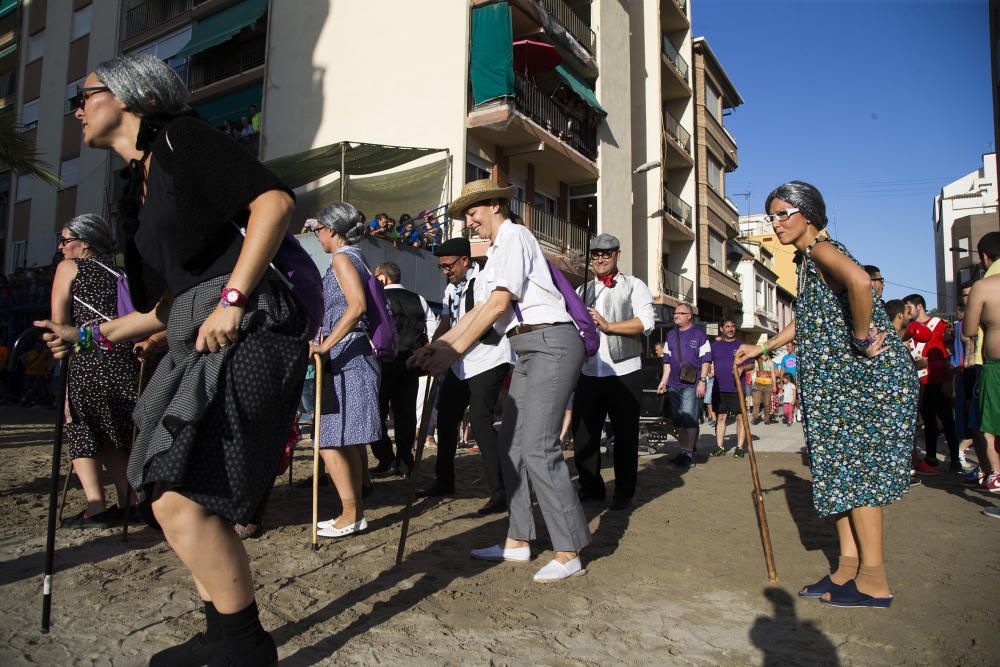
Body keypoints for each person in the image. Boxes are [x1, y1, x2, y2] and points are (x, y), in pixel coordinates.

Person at [37, 54, 310, 665]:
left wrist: (234, 301)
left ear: (130, 96)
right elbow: (167, 305)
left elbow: (273, 204)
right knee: (165, 487)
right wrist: (79, 337)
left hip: (245, 322)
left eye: (84, 96)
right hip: (196, 322)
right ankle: (223, 635)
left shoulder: (182, 138)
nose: (77, 110)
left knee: (178, 496)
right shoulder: (139, 182)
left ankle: (243, 646)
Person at [735, 181, 917, 608]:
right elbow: (807, 322)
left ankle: (874, 580)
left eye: (783, 213)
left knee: (857, 476)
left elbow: (860, 282)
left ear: (809, 214)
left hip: (866, 384)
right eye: (771, 216)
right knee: (837, 474)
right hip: (842, 388)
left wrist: (859, 336)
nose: (776, 222)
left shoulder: (821, 250)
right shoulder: (807, 261)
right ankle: (847, 569)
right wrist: (761, 348)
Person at [411, 179, 590, 583]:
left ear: (494, 206)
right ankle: (518, 539)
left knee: (539, 446)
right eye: (465, 217)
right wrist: (441, 347)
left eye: (472, 214)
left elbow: (496, 305)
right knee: (509, 445)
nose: (469, 223)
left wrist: (449, 352)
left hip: (552, 342)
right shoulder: (493, 255)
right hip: (526, 348)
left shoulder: (515, 236)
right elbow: (476, 314)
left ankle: (569, 548)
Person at [50, 214, 142, 528]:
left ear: (85, 242)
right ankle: (129, 501)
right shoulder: (120, 271)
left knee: (81, 426)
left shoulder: (68, 268)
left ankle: (96, 506)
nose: (61, 247)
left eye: (65, 240)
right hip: (122, 355)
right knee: (115, 430)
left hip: (87, 354)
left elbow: (60, 325)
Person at [417, 237, 512, 514]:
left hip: (488, 358)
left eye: (448, 266)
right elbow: (447, 323)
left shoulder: (483, 281)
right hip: (459, 362)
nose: (445, 271)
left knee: (481, 422)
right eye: (441, 267)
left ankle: (501, 491)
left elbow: (481, 319)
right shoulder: (450, 289)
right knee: (446, 419)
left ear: (464, 261)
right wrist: (431, 349)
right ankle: (444, 480)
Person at [309, 204, 382, 537]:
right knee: (347, 439)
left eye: (319, 229)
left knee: (329, 439)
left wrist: (325, 345)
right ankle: (353, 514)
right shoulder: (358, 257)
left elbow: (357, 306)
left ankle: (350, 514)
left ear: (333, 230)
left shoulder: (342, 258)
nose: (317, 234)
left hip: (347, 354)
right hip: (354, 354)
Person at [572, 233, 654, 509]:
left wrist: (608, 326)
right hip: (589, 371)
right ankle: (591, 488)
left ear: (617, 255)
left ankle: (623, 493)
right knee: (584, 434)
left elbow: (645, 322)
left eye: (606, 254)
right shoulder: (582, 291)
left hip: (624, 371)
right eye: (595, 255)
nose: (600, 259)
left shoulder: (634, 285)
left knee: (625, 436)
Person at [370, 261, 436, 476]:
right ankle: (405, 461)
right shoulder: (419, 299)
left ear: (383, 278)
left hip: (383, 364)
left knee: (376, 413)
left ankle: (386, 458)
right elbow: (433, 330)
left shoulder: (377, 299)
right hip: (411, 363)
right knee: (406, 414)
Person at [904, 293, 960, 471]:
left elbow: (951, 349)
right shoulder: (909, 328)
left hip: (939, 378)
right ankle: (930, 457)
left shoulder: (940, 325)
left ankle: (955, 458)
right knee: (927, 420)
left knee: (946, 419)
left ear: (919, 306)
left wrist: (949, 374)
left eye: (909, 307)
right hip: (920, 379)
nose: (907, 311)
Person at [964, 231, 1000, 500]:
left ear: (984, 257)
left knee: (990, 429)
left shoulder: (985, 286)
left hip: (995, 366)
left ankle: (996, 475)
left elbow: (969, 328)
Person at [656, 303, 711, 467]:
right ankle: (683, 451)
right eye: (675, 313)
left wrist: (702, 381)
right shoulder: (671, 335)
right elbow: (667, 361)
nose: (676, 315)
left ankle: (688, 454)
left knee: (689, 417)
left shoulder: (700, 335)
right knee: (678, 420)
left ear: (689, 316)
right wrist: (663, 381)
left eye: (680, 313)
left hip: (691, 384)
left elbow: (706, 360)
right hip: (673, 383)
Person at [707, 318, 748, 458]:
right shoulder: (715, 346)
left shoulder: (741, 345)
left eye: (732, 326)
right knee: (721, 417)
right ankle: (720, 447)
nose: (730, 329)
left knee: (740, 418)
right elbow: (706, 362)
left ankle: (740, 447)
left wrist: (743, 367)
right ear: (721, 329)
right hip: (719, 387)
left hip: (737, 388)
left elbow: (752, 364)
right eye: (727, 326)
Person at [750, 351, 777, 424]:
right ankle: (754, 418)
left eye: (765, 354)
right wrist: (749, 380)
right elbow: (752, 371)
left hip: (768, 385)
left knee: (767, 403)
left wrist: (774, 386)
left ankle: (766, 419)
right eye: (762, 354)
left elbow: (773, 374)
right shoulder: (757, 362)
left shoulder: (770, 362)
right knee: (756, 402)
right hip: (758, 384)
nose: (764, 356)